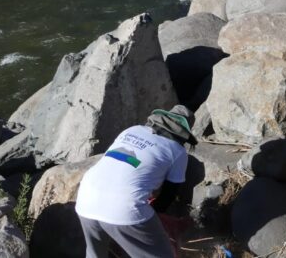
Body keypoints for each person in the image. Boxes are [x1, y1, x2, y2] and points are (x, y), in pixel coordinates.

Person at [75, 105, 198, 258]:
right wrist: (155, 216)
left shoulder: (132, 130)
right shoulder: (177, 151)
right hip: (124, 207)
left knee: (95, 253)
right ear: (183, 133)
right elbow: (168, 196)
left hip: (86, 197)